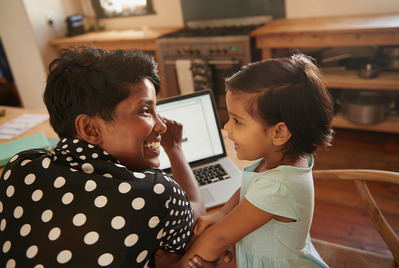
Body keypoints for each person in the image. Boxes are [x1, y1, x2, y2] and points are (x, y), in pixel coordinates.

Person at [0, 46, 206, 267]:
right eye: (145, 110)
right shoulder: (156, 193)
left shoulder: (20, 167)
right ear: (90, 129)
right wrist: (174, 148)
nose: (162, 125)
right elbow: (196, 209)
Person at [178, 54, 334, 268]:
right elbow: (250, 186)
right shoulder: (279, 156)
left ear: (279, 133)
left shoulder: (277, 187)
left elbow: (219, 239)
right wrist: (223, 213)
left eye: (237, 121)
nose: (227, 128)